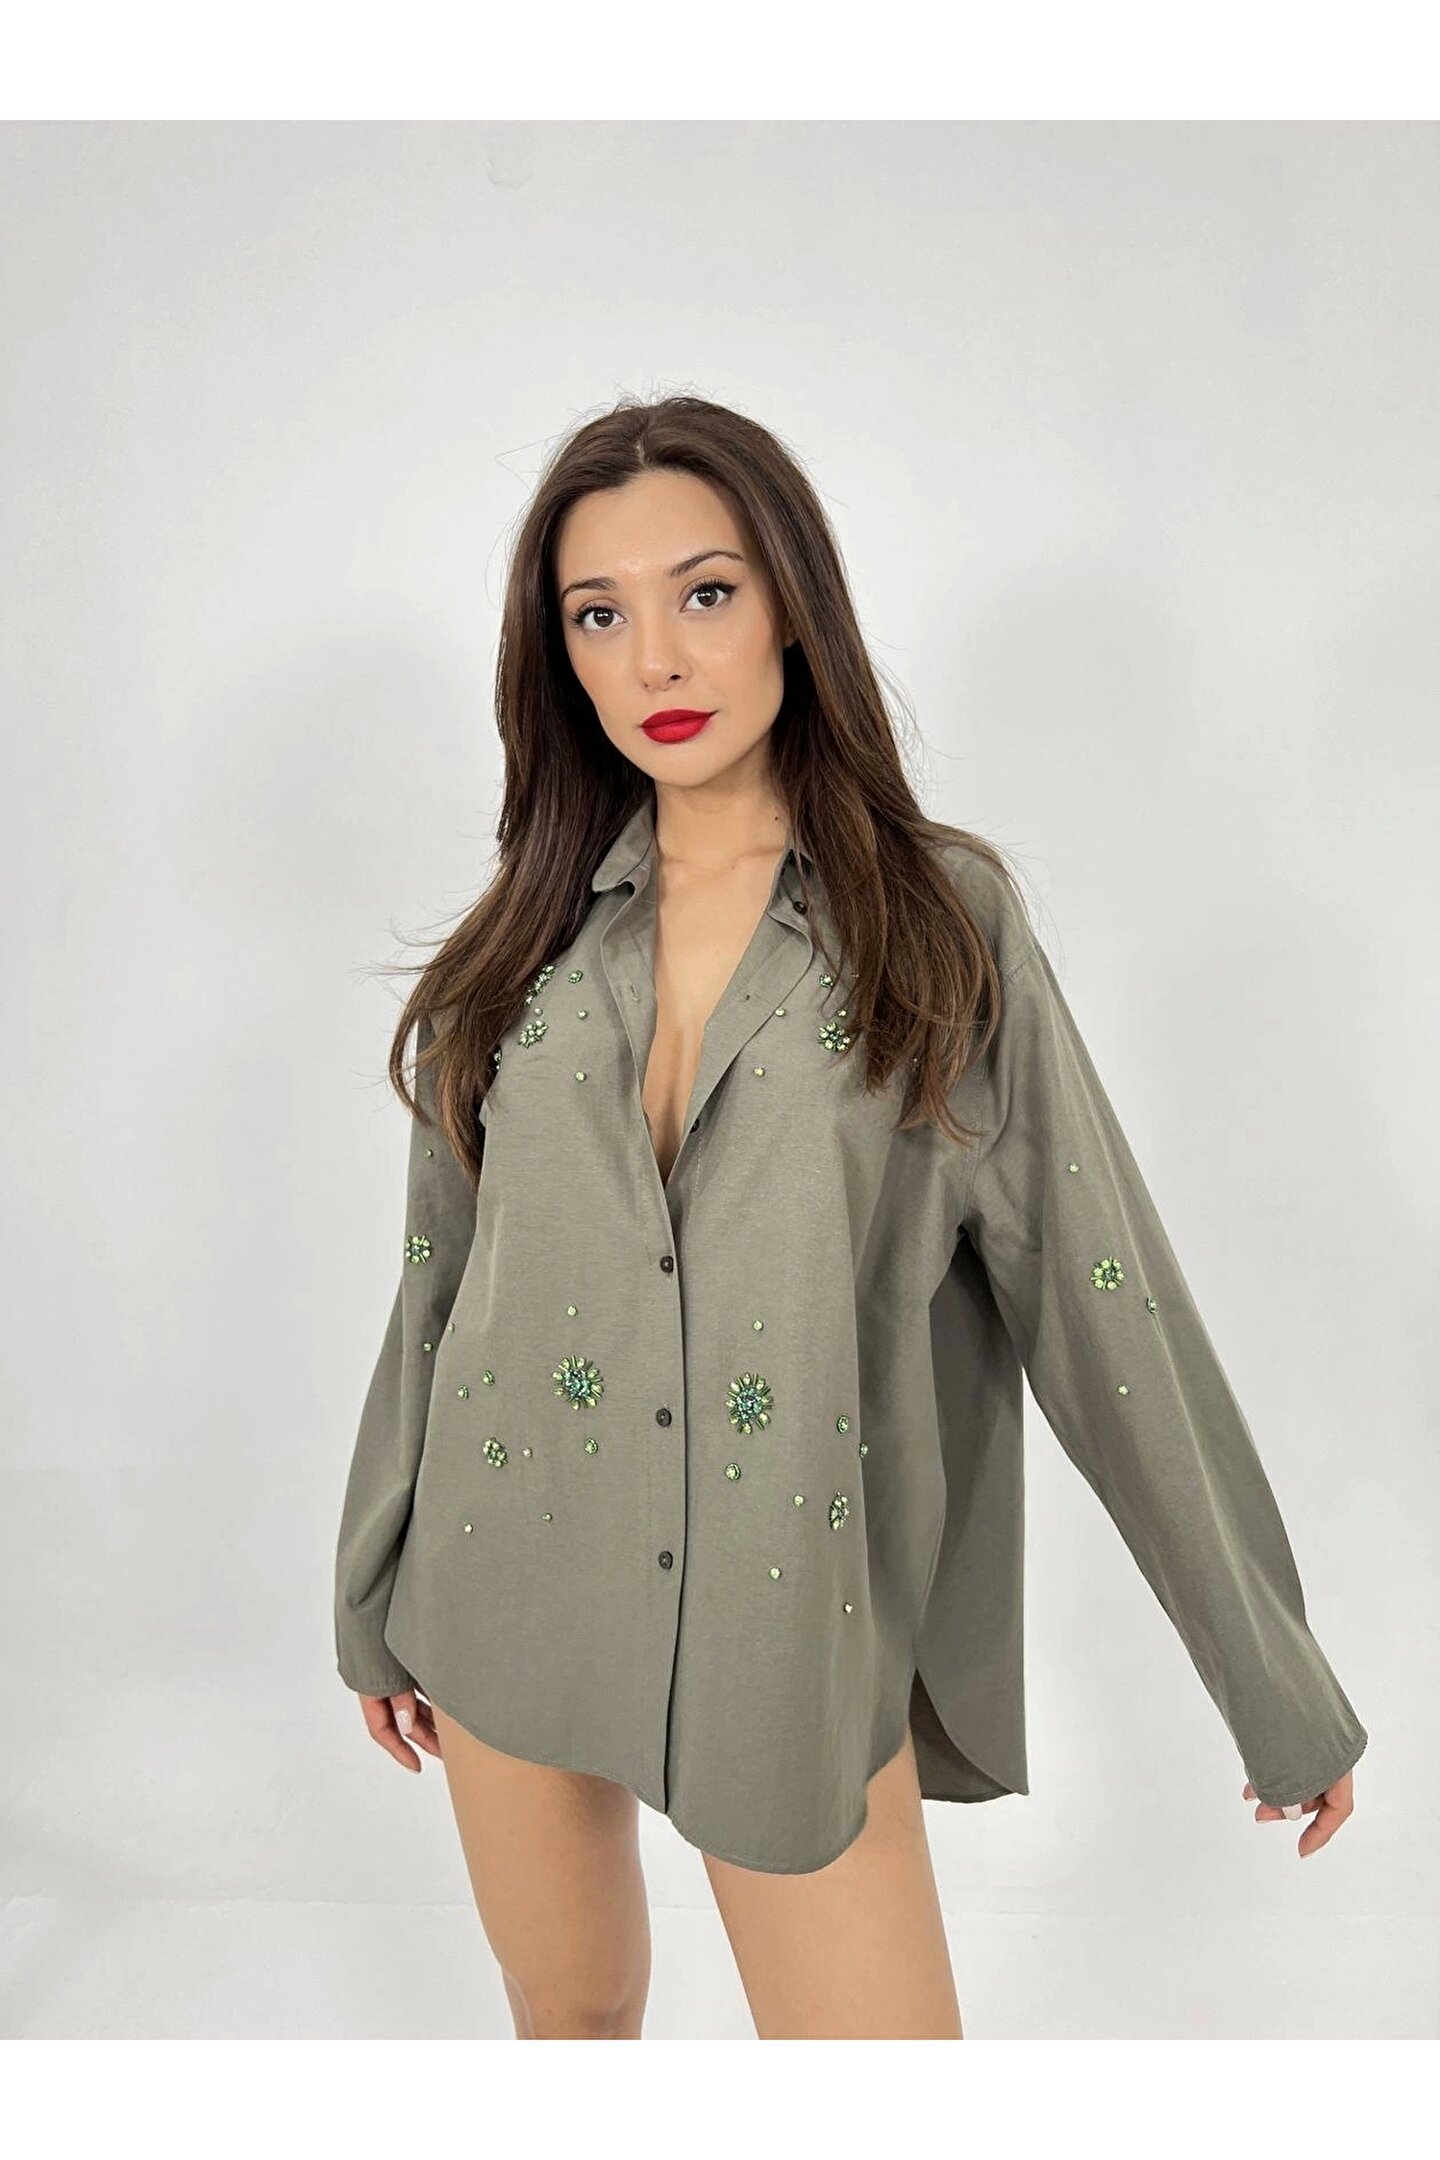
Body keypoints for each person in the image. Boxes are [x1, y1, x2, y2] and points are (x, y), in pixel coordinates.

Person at [332, 394, 1367, 2041]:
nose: (657, 658)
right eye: (599, 614)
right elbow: (439, 1286)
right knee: (569, 2024)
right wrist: (368, 1588)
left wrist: (1272, 1676)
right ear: (559, 657)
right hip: (500, 1576)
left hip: (784, 1617)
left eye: (706, 592)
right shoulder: (519, 944)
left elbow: (1100, 1297)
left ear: (793, 607)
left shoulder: (937, 926)